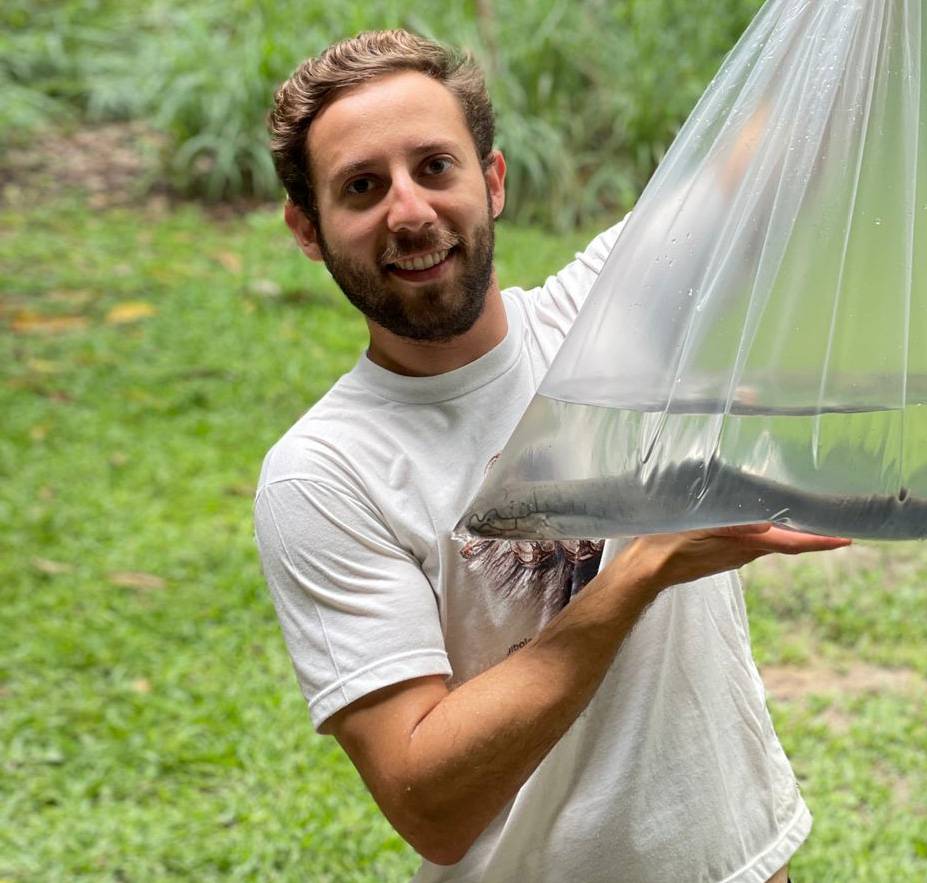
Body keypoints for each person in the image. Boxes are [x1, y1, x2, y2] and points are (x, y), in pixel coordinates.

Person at [254, 29, 849, 883]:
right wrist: (640, 570)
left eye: (434, 166)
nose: (410, 210)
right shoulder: (324, 475)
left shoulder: (612, 320)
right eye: (361, 186)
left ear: (491, 182)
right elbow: (431, 805)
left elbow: (786, 141)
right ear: (308, 229)